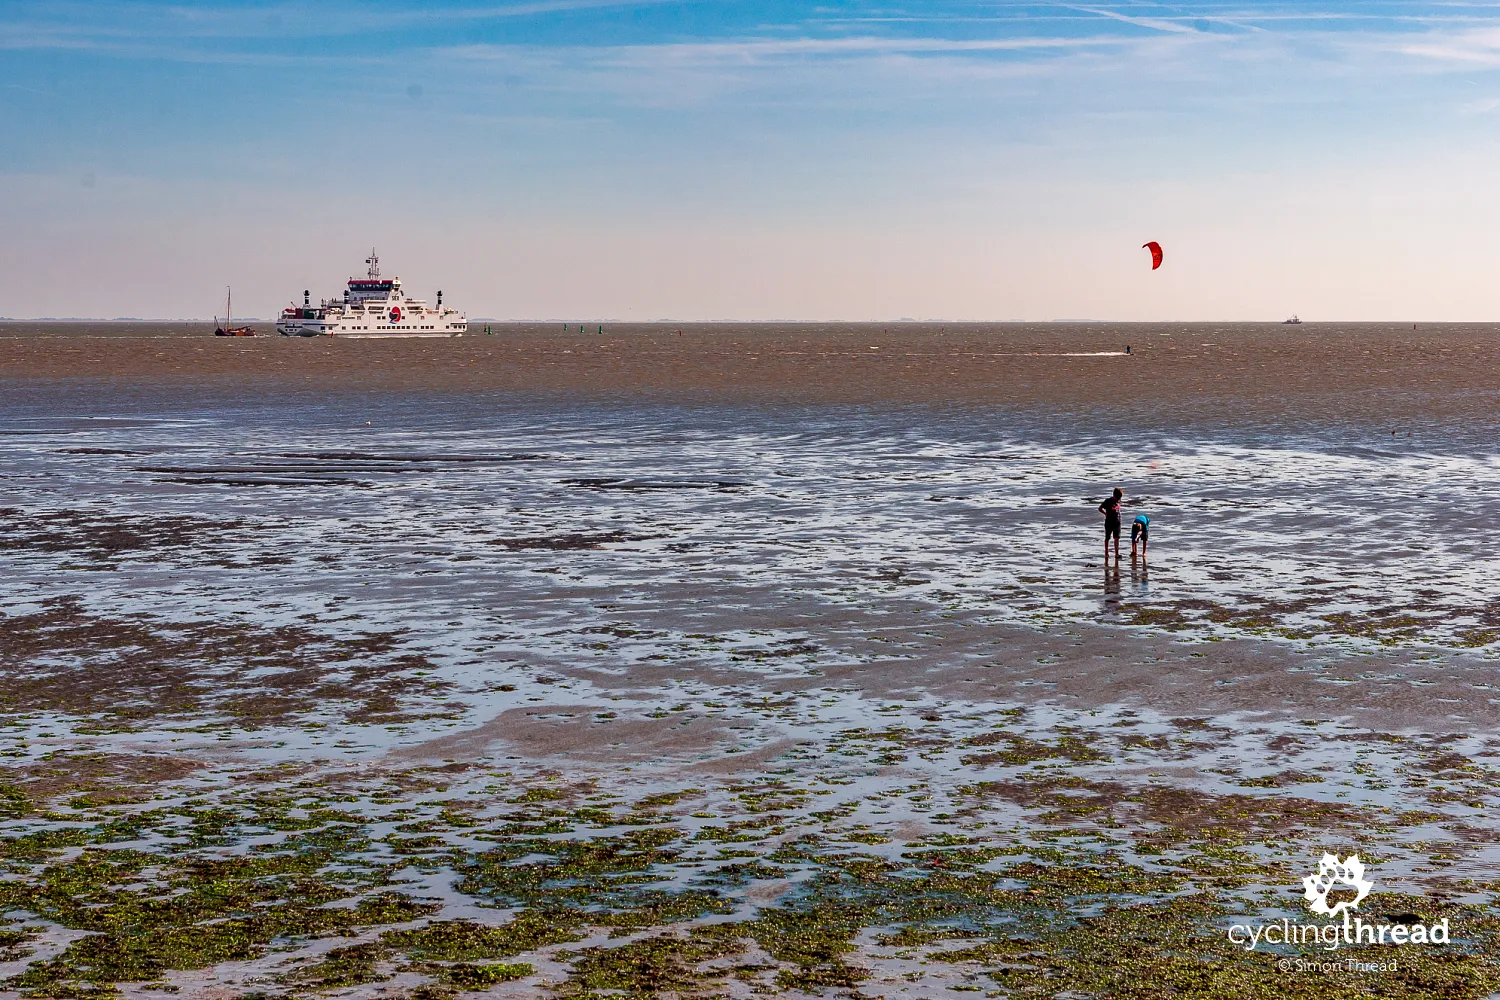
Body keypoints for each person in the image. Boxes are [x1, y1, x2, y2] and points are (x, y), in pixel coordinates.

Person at [1098, 488, 1123, 561]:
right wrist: (1105, 514)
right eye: (1118, 497)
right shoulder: (1108, 501)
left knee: (1117, 538)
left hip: (1117, 521)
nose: (1119, 499)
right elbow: (1100, 508)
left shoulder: (1118, 501)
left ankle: (1116, 554)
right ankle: (1106, 552)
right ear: (1114, 495)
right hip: (1109, 521)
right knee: (1107, 537)